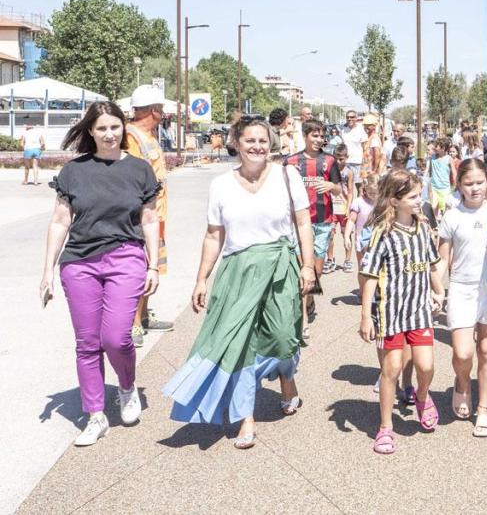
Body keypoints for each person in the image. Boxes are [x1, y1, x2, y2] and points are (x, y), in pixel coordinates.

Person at [163, 117, 315, 449]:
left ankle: (287, 376)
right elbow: (214, 235)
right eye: (250, 141)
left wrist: (308, 266)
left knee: (282, 335)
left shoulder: (287, 176)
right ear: (237, 143)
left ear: (271, 143)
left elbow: (303, 222)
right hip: (238, 271)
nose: (257, 146)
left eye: (263, 140)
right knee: (242, 344)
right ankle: (245, 415)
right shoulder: (221, 185)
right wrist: (201, 278)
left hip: (280, 266)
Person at [41, 101, 160, 446]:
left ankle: (126, 387)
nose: (110, 134)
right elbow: (61, 220)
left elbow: (149, 220)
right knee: (87, 343)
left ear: (124, 128)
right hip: (79, 263)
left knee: (117, 338)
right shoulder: (73, 171)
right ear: (90, 132)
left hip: (126, 257)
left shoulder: (140, 169)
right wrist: (47, 269)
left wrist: (153, 264)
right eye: (102, 128)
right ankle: (95, 415)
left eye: (115, 127)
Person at [358, 169, 446, 454]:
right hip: (390, 313)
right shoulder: (382, 233)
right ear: (394, 201)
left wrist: (438, 290)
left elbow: (432, 262)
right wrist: (364, 316)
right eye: (412, 196)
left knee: (426, 365)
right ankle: (385, 426)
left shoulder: (422, 227)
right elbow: (370, 275)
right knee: (392, 369)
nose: (419, 201)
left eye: (419, 195)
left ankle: (422, 396)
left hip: (419, 310)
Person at [437, 159, 487, 437]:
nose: (475, 188)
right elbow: (443, 259)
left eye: (480, 182)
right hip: (461, 287)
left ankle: (484, 410)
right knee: (463, 352)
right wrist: (436, 287)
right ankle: (462, 383)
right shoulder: (452, 216)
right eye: (469, 183)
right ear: (459, 186)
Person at [124, 85, 173, 348]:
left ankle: (143, 317)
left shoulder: (148, 135)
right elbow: (132, 178)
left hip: (157, 215)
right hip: (141, 218)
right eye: (161, 109)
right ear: (154, 111)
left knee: (152, 266)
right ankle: (132, 325)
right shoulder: (131, 136)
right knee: (141, 269)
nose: (163, 114)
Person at [284, 119, 344, 332]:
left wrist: (330, 186)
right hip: (300, 223)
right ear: (305, 135)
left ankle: (308, 300)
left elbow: (339, 190)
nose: (318, 140)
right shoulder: (291, 162)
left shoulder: (329, 161)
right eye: (314, 135)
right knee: (304, 269)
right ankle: (302, 321)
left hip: (323, 222)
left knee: (316, 272)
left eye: (321, 136)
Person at [324, 144, 355, 274]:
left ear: (346, 157)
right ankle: (330, 259)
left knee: (346, 234)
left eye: (341, 159)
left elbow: (351, 192)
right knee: (329, 235)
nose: (339, 161)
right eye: (336, 158)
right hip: (331, 207)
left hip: (343, 208)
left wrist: (348, 207)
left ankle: (348, 260)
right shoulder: (330, 170)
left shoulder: (349, 172)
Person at [340, 110, 368, 187]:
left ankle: (358, 199)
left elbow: (365, 148)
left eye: (352, 117)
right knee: (346, 186)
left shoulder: (361, 130)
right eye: (347, 117)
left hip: (357, 163)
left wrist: (364, 164)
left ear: (356, 118)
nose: (349, 119)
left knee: (359, 186)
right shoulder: (343, 130)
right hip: (346, 162)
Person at [429, 137, 454, 219]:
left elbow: (454, 172)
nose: (435, 148)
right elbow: (430, 170)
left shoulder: (449, 159)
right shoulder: (433, 157)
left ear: (443, 148)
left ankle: (445, 222)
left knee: (445, 207)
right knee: (433, 205)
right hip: (434, 186)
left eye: (437, 146)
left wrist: (456, 183)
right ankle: (435, 222)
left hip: (444, 187)